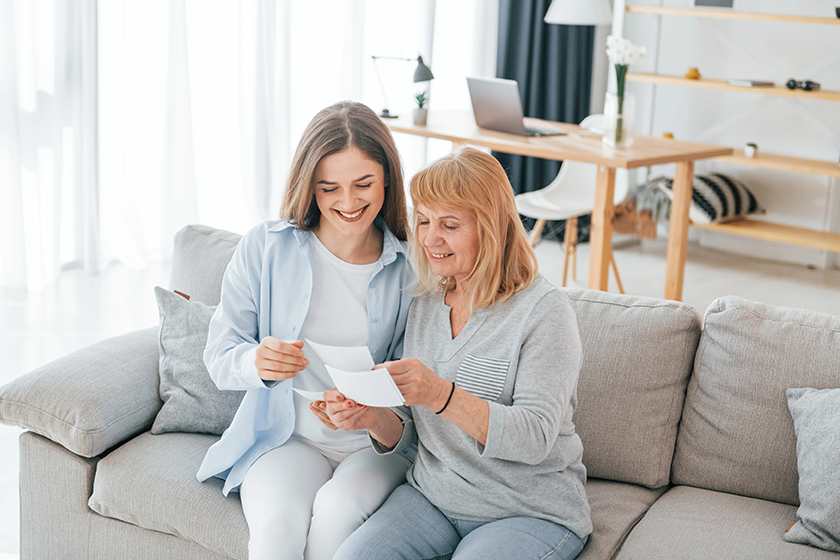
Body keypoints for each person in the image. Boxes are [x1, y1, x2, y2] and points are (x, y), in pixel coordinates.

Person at [313, 146, 592, 560]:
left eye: (449, 224)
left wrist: (440, 394)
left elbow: (534, 437)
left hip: (527, 511)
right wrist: (369, 416)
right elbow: (411, 430)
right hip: (434, 499)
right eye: (423, 221)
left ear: (491, 227)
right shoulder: (426, 304)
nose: (429, 238)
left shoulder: (544, 312)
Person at [196, 101, 415, 560]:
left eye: (364, 184)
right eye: (329, 187)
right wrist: (256, 362)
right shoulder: (266, 247)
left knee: (336, 516)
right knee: (277, 529)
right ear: (308, 186)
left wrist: (371, 413)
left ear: (387, 179)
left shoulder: (412, 270)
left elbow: (419, 395)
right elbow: (220, 353)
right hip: (288, 439)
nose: (349, 202)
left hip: (374, 450)